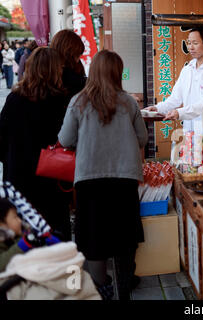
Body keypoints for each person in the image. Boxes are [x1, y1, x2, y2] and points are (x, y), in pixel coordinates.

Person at [58, 50, 148, 300]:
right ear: (117, 72)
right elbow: (142, 138)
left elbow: (65, 139)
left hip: (89, 179)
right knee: (125, 234)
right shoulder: (128, 102)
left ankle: (101, 285)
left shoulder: (78, 101)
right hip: (124, 178)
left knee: (93, 236)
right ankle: (126, 281)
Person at [0, 47, 72, 241]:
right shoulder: (60, 101)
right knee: (56, 229)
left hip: (18, 177)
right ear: (55, 70)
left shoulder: (14, 99)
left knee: (25, 233)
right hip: (52, 178)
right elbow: (67, 139)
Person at [145, 26, 203, 135]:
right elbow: (175, 99)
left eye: (195, 43)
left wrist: (179, 112)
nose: (191, 47)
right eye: (189, 43)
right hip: (189, 131)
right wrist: (157, 108)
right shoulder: (187, 69)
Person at [0, 198, 60, 273]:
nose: (20, 220)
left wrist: (44, 243)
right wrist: (20, 246)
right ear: (1, 223)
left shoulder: (22, 234)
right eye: (15, 217)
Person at [50, 30, 86, 100]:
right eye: (77, 55)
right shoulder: (77, 82)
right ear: (69, 54)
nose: (78, 60)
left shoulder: (43, 77)